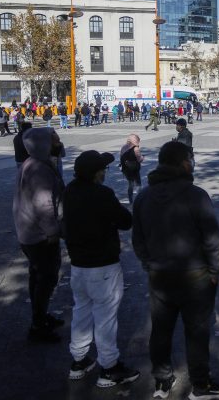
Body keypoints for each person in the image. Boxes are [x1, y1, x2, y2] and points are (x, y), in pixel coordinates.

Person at [132, 141, 219, 400]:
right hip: (195, 275)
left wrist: (148, 263)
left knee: (161, 330)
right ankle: (200, 385)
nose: (193, 162)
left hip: (160, 275)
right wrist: (216, 270)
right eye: (191, 158)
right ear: (184, 162)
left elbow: (138, 238)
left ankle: (162, 381)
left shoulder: (144, 196)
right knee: (197, 332)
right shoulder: (195, 194)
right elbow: (211, 238)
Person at [63, 150, 139, 386]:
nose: (105, 173)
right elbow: (126, 221)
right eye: (103, 170)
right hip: (102, 264)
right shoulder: (102, 193)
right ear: (96, 173)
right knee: (105, 317)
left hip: (78, 263)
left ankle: (79, 359)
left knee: (82, 312)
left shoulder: (69, 191)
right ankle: (109, 367)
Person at [13, 128, 66, 342]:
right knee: (46, 278)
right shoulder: (40, 170)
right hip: (40, 236)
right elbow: (44, 204)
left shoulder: (32, 164)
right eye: (54, 140)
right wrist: (53, 231)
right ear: (43, 144)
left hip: (28, 232)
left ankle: (41, 316)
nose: (59, 142)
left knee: (37, 276)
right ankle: (38, 326)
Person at [120, 134, 144, 203]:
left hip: (126, 169)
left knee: (130, 184)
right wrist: (143, 157)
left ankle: (130, 199)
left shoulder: (124, 147)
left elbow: (121, 157)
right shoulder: (136, 148)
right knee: (138, 184)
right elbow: (139, 159)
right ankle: (139, 200)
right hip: (135, 169)